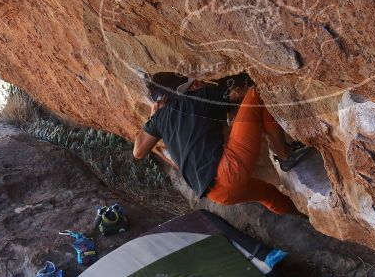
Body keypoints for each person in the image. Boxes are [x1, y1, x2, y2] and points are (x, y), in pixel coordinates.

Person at [132, 72, 312, 215]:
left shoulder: (159, 120)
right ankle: (285, 155)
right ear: (180, 92)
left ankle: (302, 217)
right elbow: (240, 92)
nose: (197, 84)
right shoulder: (197, 98)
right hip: (228, 170)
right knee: (257, 94)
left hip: (217, 195)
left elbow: (138, 151)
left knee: (268, 195)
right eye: (191, 84)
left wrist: (152, 116)